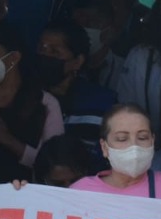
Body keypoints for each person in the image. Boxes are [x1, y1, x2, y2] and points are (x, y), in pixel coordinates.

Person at [0, 21, 65, 185]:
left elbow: (55, 164)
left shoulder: (45, 103)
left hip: (24, 197)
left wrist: (7, 139)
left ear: (14, 57)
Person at [69, 104, 161, 203]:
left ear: (153, 141)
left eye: (142, 137)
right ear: (104, 147)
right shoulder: (81, 192)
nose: (134, 146)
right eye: (122, 139)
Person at [37, 18, 117, 168]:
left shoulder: (102, 103)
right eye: (41, 48)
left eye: (55, 51)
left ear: (77, 61)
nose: (45, 56)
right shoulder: (27, 96)